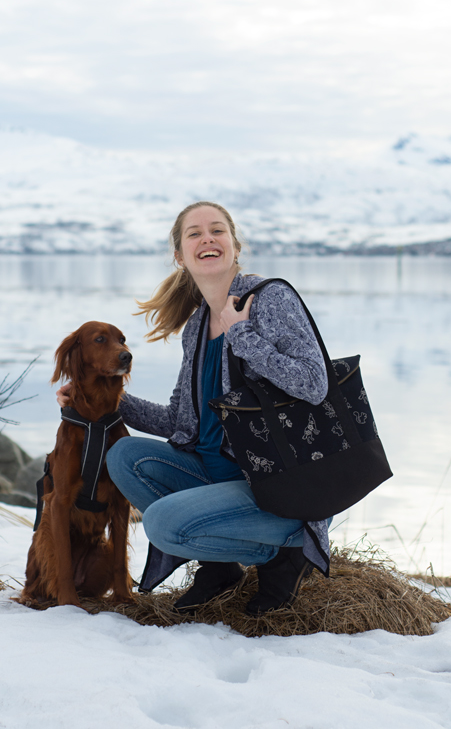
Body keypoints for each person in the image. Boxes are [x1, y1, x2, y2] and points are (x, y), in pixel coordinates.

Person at [57, 201, 331, 615]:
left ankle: (287, 552)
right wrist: (102, 400)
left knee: (162, 524)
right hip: (214, 475)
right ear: (180, 255)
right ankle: (221, 568)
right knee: (124, 456)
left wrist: (243, 335)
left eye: (217, 230)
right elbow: (178, 422)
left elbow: (314, 385)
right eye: (194, 233)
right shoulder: (198, 325)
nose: (207, 238)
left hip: (275, 487)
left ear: (235, 246)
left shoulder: (271, 298)